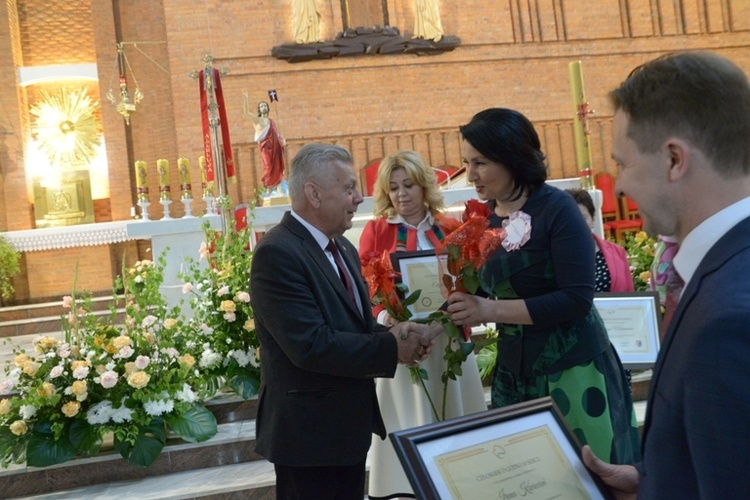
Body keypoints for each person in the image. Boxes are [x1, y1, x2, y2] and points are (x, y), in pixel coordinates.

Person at [581, 51, 750, 497]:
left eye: (624, 162)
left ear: (675, 159)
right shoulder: (729, 269)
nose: (617, 186)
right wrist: (658, 480)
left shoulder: (728, 321)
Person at [446, 108, 641, 465]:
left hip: (572, 369)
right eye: (466, 162)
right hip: (514, 372)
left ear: (512, 158)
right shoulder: (484, 217)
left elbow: (576, 299)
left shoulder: (558, 209)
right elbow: (486, 287)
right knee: (527, 476)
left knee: (585, 474)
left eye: (480, 162)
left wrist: (489, 310)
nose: (470, 174)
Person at [250, 143, 434, 499]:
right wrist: (392, 348)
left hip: (346, 429)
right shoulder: (278, 253)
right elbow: (311, 345)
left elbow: (353, 327)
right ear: (314, 194)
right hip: (308, 438)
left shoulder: (343, 247)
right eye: (349, 188)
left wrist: (394, 333)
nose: (360, 197)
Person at [359, 150, 487, 499]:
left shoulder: (451, 228)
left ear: (424, 186)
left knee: (456, 431)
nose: (401, 194)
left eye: (409, 185)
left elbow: (465, 284)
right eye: (394, 187)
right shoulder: (376, 231)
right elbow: (365, 289)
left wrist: (438, 325)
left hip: (448, 346)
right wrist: (392, 324)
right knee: (409, 429)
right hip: (402, 351)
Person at [566, 188, 635, 293]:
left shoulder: (617, 252)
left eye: (582, 218)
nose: (576, 224)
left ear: (593, 219)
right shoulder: (552, 256)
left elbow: (630, 295)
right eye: (569, 218)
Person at [243, 94, 287, 196]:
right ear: (259, 109)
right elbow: (246, 113)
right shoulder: (257, 120)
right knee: (268, 166)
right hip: (266, 148)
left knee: (277, 166)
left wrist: (282, 141)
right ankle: (268, 187)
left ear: (268, 108)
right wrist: (246, 99)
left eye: (265, 106)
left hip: (275, 148)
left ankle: (279, 188)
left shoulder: (272, 122)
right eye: (261, 106)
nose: (263, 107)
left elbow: (277, 135)